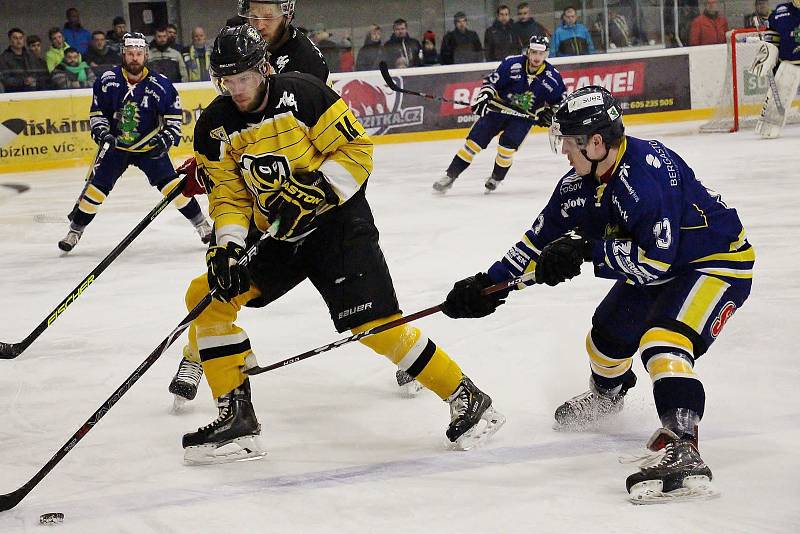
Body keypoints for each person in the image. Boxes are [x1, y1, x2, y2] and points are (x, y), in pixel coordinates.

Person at [176, 24, 505, 464]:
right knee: (207, 295)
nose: (235, 89)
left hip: (338, 226)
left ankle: (465, 395)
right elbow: (229, 196)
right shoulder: (215, 126)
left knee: (376, 327)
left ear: (264, 68)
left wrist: (314, 193)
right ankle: (238, 419)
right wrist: (229, 247)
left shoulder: (305, 96)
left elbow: (357, 152)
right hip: (278, 234)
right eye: (226, 80)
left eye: (244, 78)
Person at [440, 85, 754, 503]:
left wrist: (588, 250)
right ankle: (608, 396)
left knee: (663, 342)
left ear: (596, 142)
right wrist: (488, 284)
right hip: (661, 266)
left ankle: (684, 448)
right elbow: (534, 243)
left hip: (714, 264)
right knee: (604, 339)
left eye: (569, 143)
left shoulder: (645, 178)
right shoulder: (579, 183)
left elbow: (655, 263)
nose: (564, 152)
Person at [168, 0, 330, 405]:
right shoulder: (235, 36)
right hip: (251, 189)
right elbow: (234, 117)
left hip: (299, 188)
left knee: (350, 267)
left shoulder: (306, 58)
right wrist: (212, 162)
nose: (257, 22)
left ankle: (389, 334)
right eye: (251, 14)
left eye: (267, 15)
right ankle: (198, 354)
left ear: (288, 14)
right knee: (221, 271)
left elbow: (292, 132)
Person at [57, 33, 211, 252]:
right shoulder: (107, 80)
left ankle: (201, 225)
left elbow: (174, 117)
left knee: (174, 189)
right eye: (130, 54)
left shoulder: (161, 84)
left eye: (139, 54)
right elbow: (98, 114)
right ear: (123, 54)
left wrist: (165, 138)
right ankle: (75, 231)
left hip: (149, 149)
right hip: (117, 148)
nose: (134, 58)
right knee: (95, 191)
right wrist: (102, 133)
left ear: (145, 54)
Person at [434, 35, 565, 194]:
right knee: (472, 144)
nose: (536, 57)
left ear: (546, 54)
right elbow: (490, 83)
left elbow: (560, 102)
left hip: (523, 118)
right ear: (528, 52)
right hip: (497, 109)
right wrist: (484, 96)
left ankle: (496, 177)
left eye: (540, 53)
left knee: (506, 150)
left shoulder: (553, 78)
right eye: (533, 52)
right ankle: (450, 176)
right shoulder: (512, 64)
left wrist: (550, 113)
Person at [238, 0, 329, 81]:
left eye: (269, 17)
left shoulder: (306, 63)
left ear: (288, 16)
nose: (259, 26)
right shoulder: (248, 39)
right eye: (253, 17)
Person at [749, 0, 800, 138]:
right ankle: (770, 124)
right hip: (789, 65)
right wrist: (767, 55)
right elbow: (773, 40)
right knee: (782, 85)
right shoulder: (780, 13)